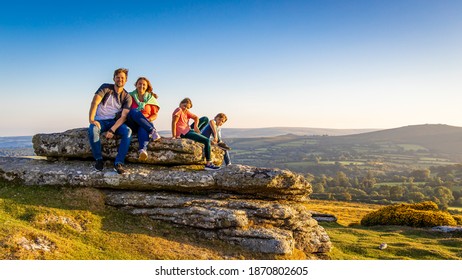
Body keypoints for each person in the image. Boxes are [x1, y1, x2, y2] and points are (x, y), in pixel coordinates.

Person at [88, 68, 132, 174]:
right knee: (93, 130)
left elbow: (124, 116)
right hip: (100, 121)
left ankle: (118, 163)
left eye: (122, 78)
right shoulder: (106, 88)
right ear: (114, 78)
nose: (120, 80)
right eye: (118, 77)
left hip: (114, 122)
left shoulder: (127, 97)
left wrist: (112, 130)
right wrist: (91, 119)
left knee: (128, 131)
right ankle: (99, 160)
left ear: (126, 80)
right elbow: (94, 102)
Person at [171, 98, 220, 170]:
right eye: (184, 106)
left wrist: (196, 126)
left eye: (187, 107)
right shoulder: (179, 109)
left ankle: (197, 132)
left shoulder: (186, 111)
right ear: (181, 104)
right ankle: (208, 164)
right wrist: (174, 136)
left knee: (205, 119)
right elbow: (174, 123)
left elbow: (196, 117)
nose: (185, 108)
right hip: (183, 133)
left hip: (188, 129)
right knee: (207, 141)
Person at [125, 77, 161, 161]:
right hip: (132, 122)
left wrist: (148, 120)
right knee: (134, 111)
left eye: (144, 84)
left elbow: (155, 114)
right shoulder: (130, 96)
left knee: (143, 127)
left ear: (147, 86)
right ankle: (152, 131)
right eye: (139, 84)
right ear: (136, 85)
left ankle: (143, 150)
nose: (141, 86)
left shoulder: (151, 98)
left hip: (145, 122)